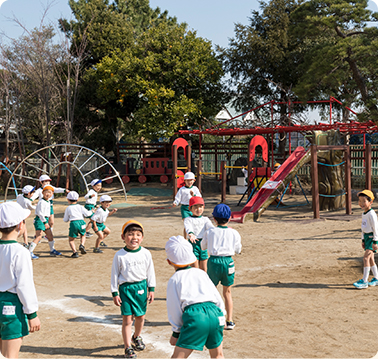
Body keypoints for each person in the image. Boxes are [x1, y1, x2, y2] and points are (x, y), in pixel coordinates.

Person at [165, 235, 225, 359]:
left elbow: (174, 309)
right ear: (193, 259)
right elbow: (217, 296)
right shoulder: (201, 273)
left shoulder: (174, 280)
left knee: (178, 357)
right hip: (215, 313)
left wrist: (176, 332)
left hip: (196, 316)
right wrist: (222, 316)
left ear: (169, 262)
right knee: (218, 355)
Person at [0, 202, 41, 359]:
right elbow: (24, 285)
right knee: (10, 356)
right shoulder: (20, 252)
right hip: (11, 306)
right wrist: (32, 313)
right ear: (20, 225)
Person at [111, 220, 155, 359]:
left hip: (141, 288)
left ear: (142, 237)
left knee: (141, 317)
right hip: (126, 289)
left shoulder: (146, 253)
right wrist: (115, 292)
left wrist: (151, 289)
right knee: (127, 320)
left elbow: (150, 272)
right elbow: (114, 274)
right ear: (123, 237)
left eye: (137, 234)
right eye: (130, 234)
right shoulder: (119, 255)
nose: (134, 237)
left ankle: (137, 336)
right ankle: (127, 347)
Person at [201, 203, 242, 330]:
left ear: (214, 219)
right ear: (230, 218)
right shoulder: (234, 232)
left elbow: (203, 247)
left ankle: (212, 318)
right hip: (228, 261)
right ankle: (229, 320)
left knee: (211, 290)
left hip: (213, 261)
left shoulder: (210, 231)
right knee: (227, 292)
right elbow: (238, 250)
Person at [353, 190, 378, 289]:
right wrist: (363, 240)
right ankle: (376, 278)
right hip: (367, 238)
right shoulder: (364, 214)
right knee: (371, 259)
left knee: (366, 258)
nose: (361, 204)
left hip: (372, 238)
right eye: (360, 201)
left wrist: (375, 241)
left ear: (370, 201)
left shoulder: (372, 214)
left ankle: (364, 281)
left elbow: (376, 228)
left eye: (364, 201)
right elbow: (363, 228)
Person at [29, 185, 61, 259]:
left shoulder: (48, 201)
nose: (48, 194)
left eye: (50, 193)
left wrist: (47, 221)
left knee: (50, 236)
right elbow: (40, 213)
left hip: (44, 220)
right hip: (40, 220)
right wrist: (45, 222)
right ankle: (29, 252)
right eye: (46, 192)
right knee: (39, 236)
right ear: (42, 193)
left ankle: (52, 250)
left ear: (52, 194)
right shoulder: (41, 202)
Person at [184, 196, 214, 271]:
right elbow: (188, 228)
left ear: (204, 207)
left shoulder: (205, 219)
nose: (198, 209)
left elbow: (211, 227)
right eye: (195, 207)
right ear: (190, 209)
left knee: (204, 269)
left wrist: (217, 231)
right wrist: (191, 234)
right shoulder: (188, 220)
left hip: (203, 244)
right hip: (193, 243)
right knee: (194, 268)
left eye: (200, 207)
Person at [63, 191, 95, 258]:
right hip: (82, 222)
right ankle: (82, 245)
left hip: (74, 223)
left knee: (71, 239)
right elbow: (87, 214)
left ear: (68, 200)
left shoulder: (68, 208)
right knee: (83, 235)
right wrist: (91, 211)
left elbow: (65, 219)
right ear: (77, 199)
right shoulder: (80, 206)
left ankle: (75, 252)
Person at [172, 172, 202, 238]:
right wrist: (176, 203)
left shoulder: (195, 189)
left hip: (193, 208)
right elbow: (178, 198)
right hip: (185, 208)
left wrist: (193, 195)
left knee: (193, 224)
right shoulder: (182, 189)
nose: (189, 182)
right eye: (187, 180)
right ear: (184, 180)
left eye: (191, 180)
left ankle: (193, 237)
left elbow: (199, 198)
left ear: (194, 180)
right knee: (187, 224)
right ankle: (185, 239)